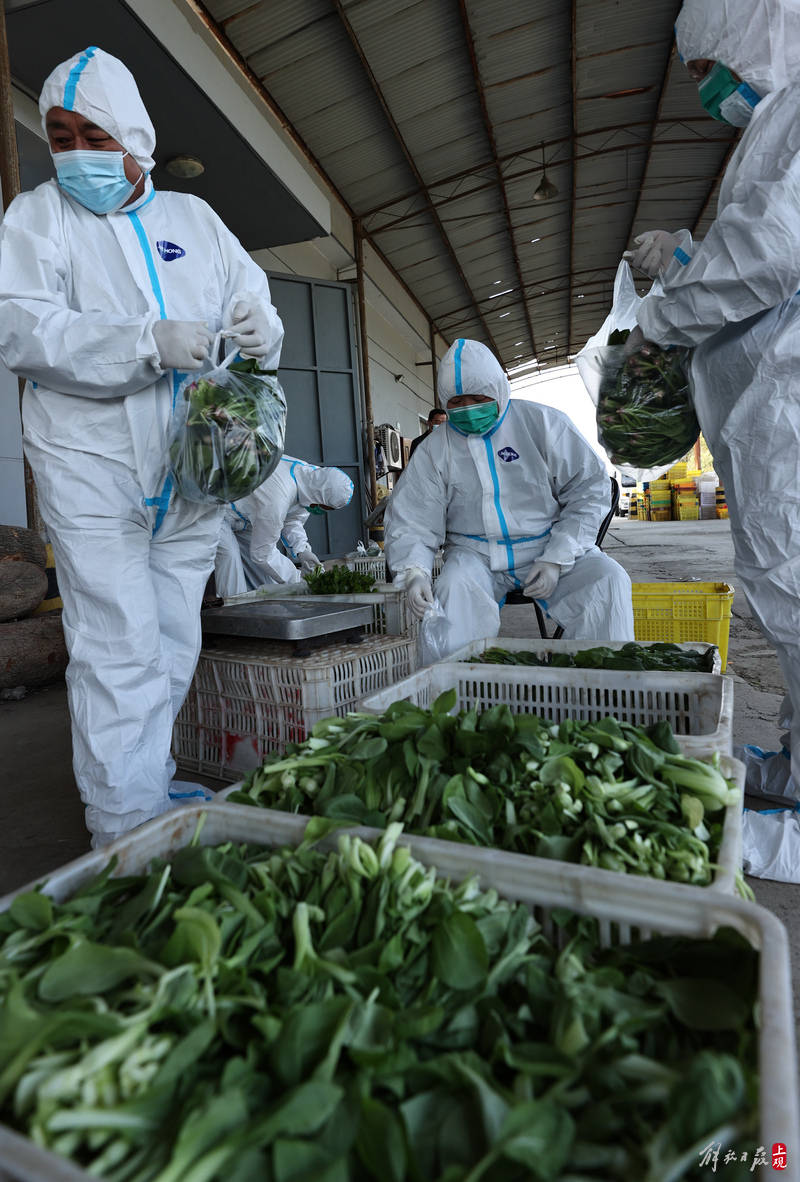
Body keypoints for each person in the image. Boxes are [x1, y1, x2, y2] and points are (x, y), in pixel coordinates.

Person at [0, 48, 284, 846]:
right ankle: (121, 829)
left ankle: (145, 783)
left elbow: (251, 305)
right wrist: (145, 342)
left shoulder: (195, 223)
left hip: (189, 473)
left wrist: (267, 330)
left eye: (92, 135)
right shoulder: (37, 219)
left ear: (134, 138)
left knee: (169, 639)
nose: (74, 154)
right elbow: (25, 331)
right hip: (94, 470)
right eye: (60, 137)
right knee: (116, 645)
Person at [624, 0, 800, 800]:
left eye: (705, 68)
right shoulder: (770, 128)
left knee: (794, 591)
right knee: (785, 599)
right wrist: (686, 256)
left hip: (787, 416)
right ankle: (796, 767)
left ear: (744, 36)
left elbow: (770, 251)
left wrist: (662, 315)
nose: (705, 91)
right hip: (768, 418)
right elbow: (752, 249)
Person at [384, 338, 634, 663]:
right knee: (452, 594)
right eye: (458, 402)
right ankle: (457, 700)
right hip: (475, 556)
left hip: (547, 545)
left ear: (499, 389)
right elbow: (413, 517)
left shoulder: (543, 424)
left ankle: (599, 691)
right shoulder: (435, 449)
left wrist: (558, 557)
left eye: (479, 398)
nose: (469, 409)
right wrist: (413, 571)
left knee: (608, 581)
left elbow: (588, 490)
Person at [214, 455, 354, 593]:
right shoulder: (278, 498)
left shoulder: (311, 481)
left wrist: (302, 550)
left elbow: (292, 519)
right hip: (217, 509)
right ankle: (231, 607)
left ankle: (256, 606)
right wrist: (298, 578)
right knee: (229, 556)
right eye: (325, 507)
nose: (322, 511)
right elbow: (263, 554)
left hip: (246, 516)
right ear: (319, 499)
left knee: (267, 579)